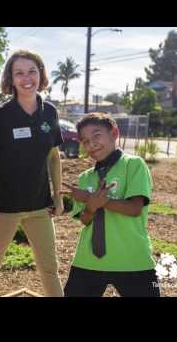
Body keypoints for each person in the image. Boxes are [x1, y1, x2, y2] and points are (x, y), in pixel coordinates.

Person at [0, 49, 64, 297]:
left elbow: (54, 156)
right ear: (11, 78)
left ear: (41, 74)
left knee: (50, 268)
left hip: (40, 207)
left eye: (32, 71)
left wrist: (58, 197)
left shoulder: (49, 112)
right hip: (3, 207)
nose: (26, 77)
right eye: (19, 73)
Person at [61, 112, 160, 297]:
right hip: (88, 260)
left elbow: (134, 209)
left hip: (132, 259)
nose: (91, 144)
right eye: (85, 141)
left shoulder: (134, 165)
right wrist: (90, 206)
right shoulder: (85, 177)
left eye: (96, 135)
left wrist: (99, 200)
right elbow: (84, 220)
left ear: (114, 134)